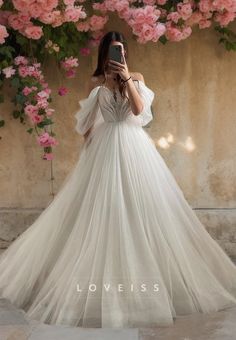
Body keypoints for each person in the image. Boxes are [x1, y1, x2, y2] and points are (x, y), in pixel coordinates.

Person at [0, 30, 236, 329]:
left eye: (121, 51)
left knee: (142, 210)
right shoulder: (95, 83)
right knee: (101, 213)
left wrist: (126, 78)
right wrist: (86, 159)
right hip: (103, 149)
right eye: (113, 52)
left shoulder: (135, 76)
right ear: (103, 54)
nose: (118, 56)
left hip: (134, 148)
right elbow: (87, 126)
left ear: (125, 54)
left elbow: (139, 110)